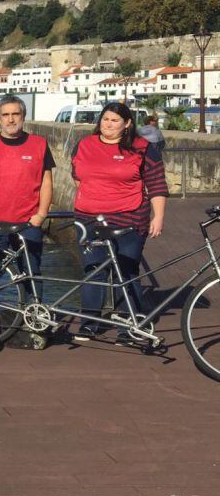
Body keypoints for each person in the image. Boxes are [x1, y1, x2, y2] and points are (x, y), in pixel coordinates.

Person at [71, 102, 168, 342]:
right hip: (89, 218)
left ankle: (127, 324)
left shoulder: (142, 148)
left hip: (129, 218)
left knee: (126, 270)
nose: (109, 124)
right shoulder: (84, 144)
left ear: (127, 124)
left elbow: (156, 184)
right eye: (105, 119)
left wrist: (158, 216)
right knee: (93, 269)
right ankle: (89, 323)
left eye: (115, 120)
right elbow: (77, 177)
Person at [0, 94, 55, 283]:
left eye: (16, 113)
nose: (11, 119)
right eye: (5, 114)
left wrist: (41, 215)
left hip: (28, 223)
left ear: (23, 116)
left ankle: (31, 312)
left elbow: (46, 182)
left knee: (31, 274)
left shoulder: (39, 144)